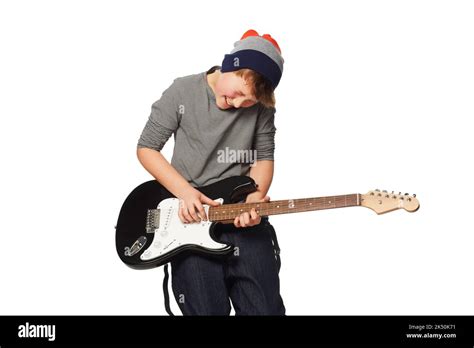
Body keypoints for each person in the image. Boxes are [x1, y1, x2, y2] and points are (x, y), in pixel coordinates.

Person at [136, 29, 285, 315]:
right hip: (189, 222)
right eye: (239, 93)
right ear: (230, 64)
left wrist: (255, 198)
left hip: (241, 220)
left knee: (265, 309)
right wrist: (186, 193)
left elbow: (264, 157)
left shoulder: (262, 110)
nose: (240, 104)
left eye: (250, 102)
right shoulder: (182, 91)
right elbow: (147, 148)